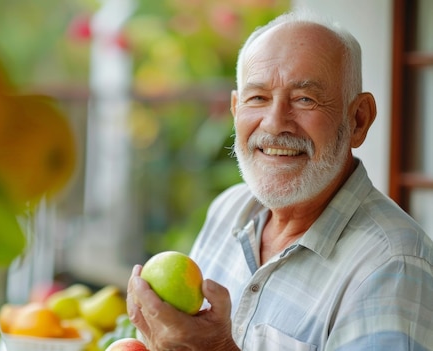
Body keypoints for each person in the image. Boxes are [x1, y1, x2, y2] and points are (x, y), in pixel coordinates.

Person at [126, 10, 433, 351]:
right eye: (257, 98)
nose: (274, 124)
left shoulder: (393, 265)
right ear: (235, 109)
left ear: (358, 120)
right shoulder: (229, 209)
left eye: (305, 99)